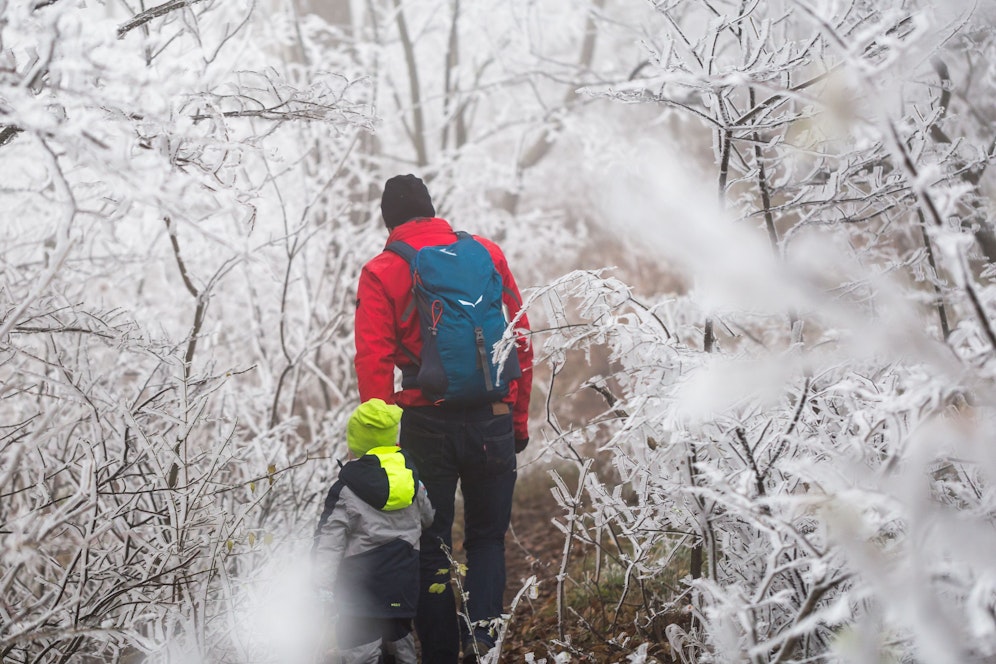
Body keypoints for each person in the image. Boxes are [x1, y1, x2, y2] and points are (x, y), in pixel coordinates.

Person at [354, 174, 534, 663]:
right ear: (433, 211)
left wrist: (380, 451)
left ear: (388, 221)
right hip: (492, 419)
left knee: (431, 546)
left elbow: (373, 362)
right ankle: (486, 649)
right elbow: (519, 337)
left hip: (424, 426)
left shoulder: (382, 270)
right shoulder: (487, 254)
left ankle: (440, 656)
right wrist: (516, 418)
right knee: (487, 541)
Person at [313, 398, 435, 664]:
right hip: (402, 581)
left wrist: (321, 585)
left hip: (360, 587)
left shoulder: (346, 488)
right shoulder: (410, 478)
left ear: (355, 442)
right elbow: (428, 517)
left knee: (360, 650)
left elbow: (329, 541)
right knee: (401, 645)